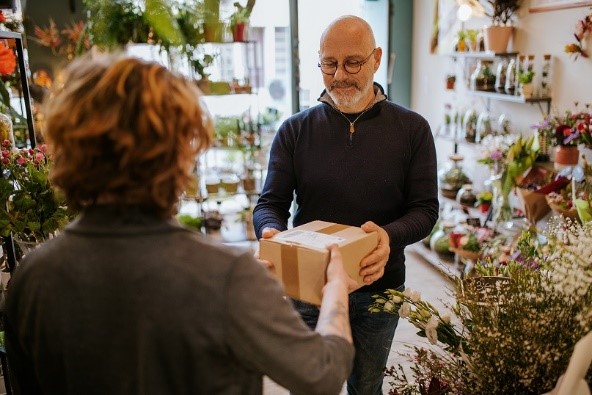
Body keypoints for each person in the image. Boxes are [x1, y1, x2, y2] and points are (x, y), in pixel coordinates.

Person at [3, 54, 357, 395]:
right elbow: (321, 375)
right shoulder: (228, 277)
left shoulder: (31, 277)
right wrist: (334, 292)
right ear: (175, 154)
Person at [253, 15, 439, 394]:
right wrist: (270, 232)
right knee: (311, 387)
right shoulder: (295, 130)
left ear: (376, 58)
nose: (339, 75)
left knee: (367, 387)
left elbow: (425, 210)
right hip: (310, 288)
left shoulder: (413, 130)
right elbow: (269, 203)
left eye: (352, 62)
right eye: (329, 64)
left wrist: (388, 236)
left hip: (379, 286)